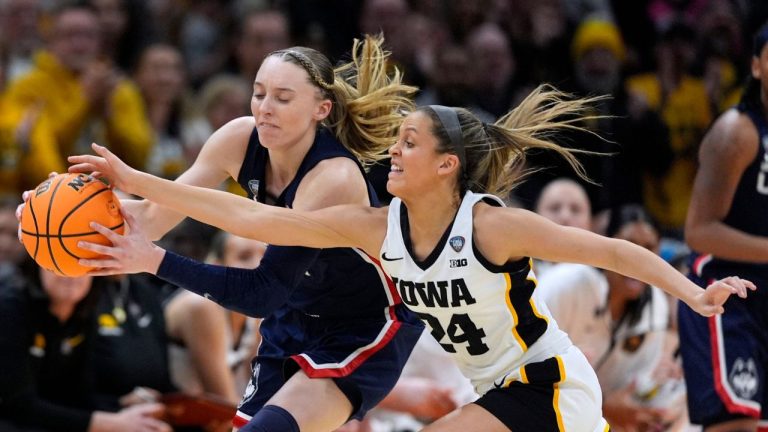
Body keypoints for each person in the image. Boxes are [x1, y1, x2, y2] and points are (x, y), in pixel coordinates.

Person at [68, 84, 754, 432]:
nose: (392, 152)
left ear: (447, 166)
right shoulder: (376, 229)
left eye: (409, 144)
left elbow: (609, 251)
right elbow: (254, 215)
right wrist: (141, 185)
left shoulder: (491, 228)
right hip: (497, 392)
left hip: (549, 385)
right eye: (394, 141)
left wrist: (692, 295)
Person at [30, 35, 424, 432]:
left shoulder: (333, 177)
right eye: (258, 93)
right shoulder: (239, 138)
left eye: (283, 99)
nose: (265, 109)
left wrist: (153, 258)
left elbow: (262, 292)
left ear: (321, 109)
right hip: (294, 317)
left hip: (364, 323)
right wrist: (53, 212)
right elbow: (150, 218)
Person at [677, 23, 768, 431]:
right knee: (735, 426)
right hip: (726, 292)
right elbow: (699, 231)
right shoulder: (737, 133)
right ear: (755, 66)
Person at [537, 204, 686, 431]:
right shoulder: (565, 284)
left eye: (648, 248)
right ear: (607, 245)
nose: (639, 260)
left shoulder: (655, 305)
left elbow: (635, 385)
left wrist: (649, 405)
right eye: (630, 246)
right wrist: (606, 405)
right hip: (537, 408)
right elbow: (529, 371)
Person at [0, 263, 173, 432]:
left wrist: (122, 406)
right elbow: (18, 405)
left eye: (80, 266)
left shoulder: (84, 316)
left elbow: (80, 394)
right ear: (37, 265)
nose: (71, 274)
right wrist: (112, 424)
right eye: (60, 263)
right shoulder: (10, 309)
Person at [165, 230, 266, 402]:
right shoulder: (201, 306)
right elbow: (223, 400)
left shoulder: (255, 307)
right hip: (171, 417)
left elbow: (259, 386)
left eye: (265, 258)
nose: (259, 266)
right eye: (244, 257)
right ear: (218, 267)